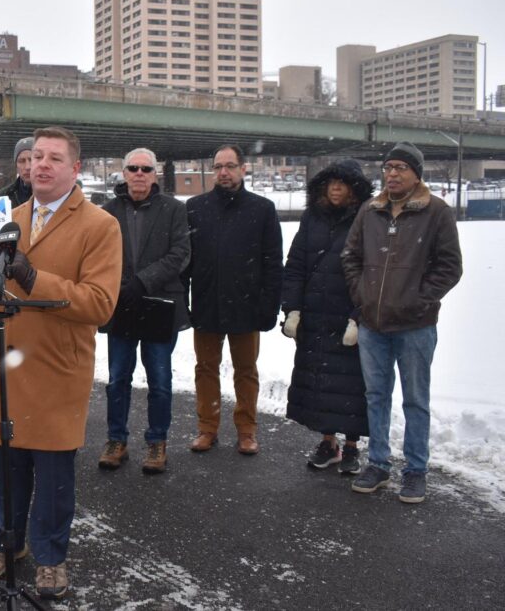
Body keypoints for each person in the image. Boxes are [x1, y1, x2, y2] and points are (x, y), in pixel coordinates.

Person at [0, 126, 121, 600]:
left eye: (54, 158)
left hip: (57, 365)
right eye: (36, 156)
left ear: (74, 168)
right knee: (7, 467)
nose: (41, 165)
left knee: (52, 476)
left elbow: (100, 303)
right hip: (6, 361)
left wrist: (31, 275)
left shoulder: (100, 226)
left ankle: (50, 557)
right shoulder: (5, 216)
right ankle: (8, 545)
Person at [342, 142, 462, 504]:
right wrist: (362, 296)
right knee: (376, 397)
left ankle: (416, 470)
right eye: (387, 167)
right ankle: (378, 463)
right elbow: (351, 256)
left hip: (415, 326)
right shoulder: (370, 210)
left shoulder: (436, 212)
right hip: (373, 325)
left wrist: (418, 301)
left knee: (415, 400)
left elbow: (449, 267)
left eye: (400, 167)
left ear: (416, 173)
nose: (391, 173)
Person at [185, 144, 282, 455]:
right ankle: (207, 428)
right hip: (206, 302)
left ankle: (247, 431)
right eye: (217, 167)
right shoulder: (195, 208)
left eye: (229, 166)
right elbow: (185, 260)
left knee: (246, 370)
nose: (223, 172)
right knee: (206, 369)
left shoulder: (262, 209)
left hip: (246, 305)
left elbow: (272, 262)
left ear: (243, 168)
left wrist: (269, 305)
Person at [97, 148, 190, 475]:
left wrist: (142, 281)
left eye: (145, 169)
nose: (139, 174)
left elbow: (180, 253)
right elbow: (98, 255)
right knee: (118, 378)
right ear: (124, 173)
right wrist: (122, 285)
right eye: (133, 168)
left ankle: (157, 441)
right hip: (121, 303)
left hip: (158, 304)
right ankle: (116, 439)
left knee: (160, 380)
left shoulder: (175, 210)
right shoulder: (106, 212)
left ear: (155, 174)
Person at [281, 161, 373, 475]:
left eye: (342, 183)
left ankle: (352, 445)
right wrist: (292, 309)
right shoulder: (312, 219)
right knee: (321, 382)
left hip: (348, 317)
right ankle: (328, 442)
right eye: (330, 183)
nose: (335, 188)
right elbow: (295, 266)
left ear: (354, 188)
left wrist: (357, 317)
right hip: (315, 315)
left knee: (350, 386)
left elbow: (372, 272)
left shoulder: (367, 218)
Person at [0, 136, 33, 208]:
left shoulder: (56, 194)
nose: (27, 167)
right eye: (21, 161)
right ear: (16, 166)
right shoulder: (1, 198)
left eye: (32, 160)